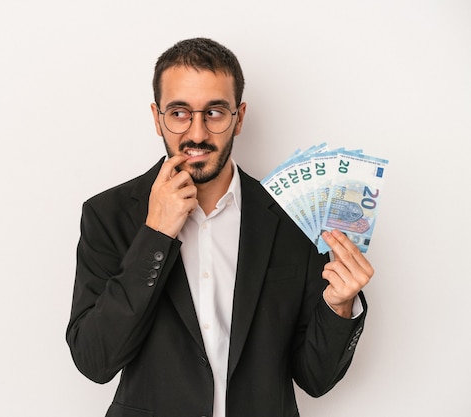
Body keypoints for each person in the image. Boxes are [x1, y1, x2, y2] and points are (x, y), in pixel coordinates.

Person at [66, 37, 373, 417]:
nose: (196, 133)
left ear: (239, 117)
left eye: (214, 112)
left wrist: (339, 306)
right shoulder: (107, 215)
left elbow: (314, 378)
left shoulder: (293, 217)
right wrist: (156, 236)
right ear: (156, 117)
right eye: (179, 113)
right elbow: (95, 361)